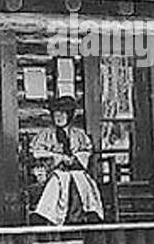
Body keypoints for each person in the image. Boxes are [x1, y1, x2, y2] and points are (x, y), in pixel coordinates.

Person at [30, 95, 104, 225]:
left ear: (69, 116)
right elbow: (36, 152)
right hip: (53, 171)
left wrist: (75, 159)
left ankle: (80, 216)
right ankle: (47, 215)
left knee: (81, 181)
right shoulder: (45, 134)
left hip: (75, 170)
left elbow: (86, 150)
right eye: (56, 114)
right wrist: (58, 157)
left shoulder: (78, 134)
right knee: (58, 180)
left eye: (62, 114)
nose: (59, 117)